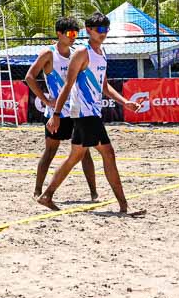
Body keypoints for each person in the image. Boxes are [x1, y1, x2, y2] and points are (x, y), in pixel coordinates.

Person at [38, 12, 145, 215]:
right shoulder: (82, 53)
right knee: (108, 154)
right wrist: (56, 114)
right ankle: (124, 206)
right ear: (89, 30)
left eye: (106, 30)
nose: (103, 33)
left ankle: (47, 195)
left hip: (91, 112)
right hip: (84, 113)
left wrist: (125, 102)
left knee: (74, 157)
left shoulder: (102, 52)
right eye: (99, 30)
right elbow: (67, 85)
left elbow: (104, 86)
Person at [24, 16, 97, 202]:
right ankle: (37, 190)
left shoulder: (76, 54)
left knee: (85, 152)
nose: (73, 37)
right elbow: (29, 77)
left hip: (76, 110)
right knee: (50, 152)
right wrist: (45, 100)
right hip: (56, 113)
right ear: (59, 33)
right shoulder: (49, 54)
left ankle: (94, 193)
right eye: (70, 33)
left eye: (76, 34)